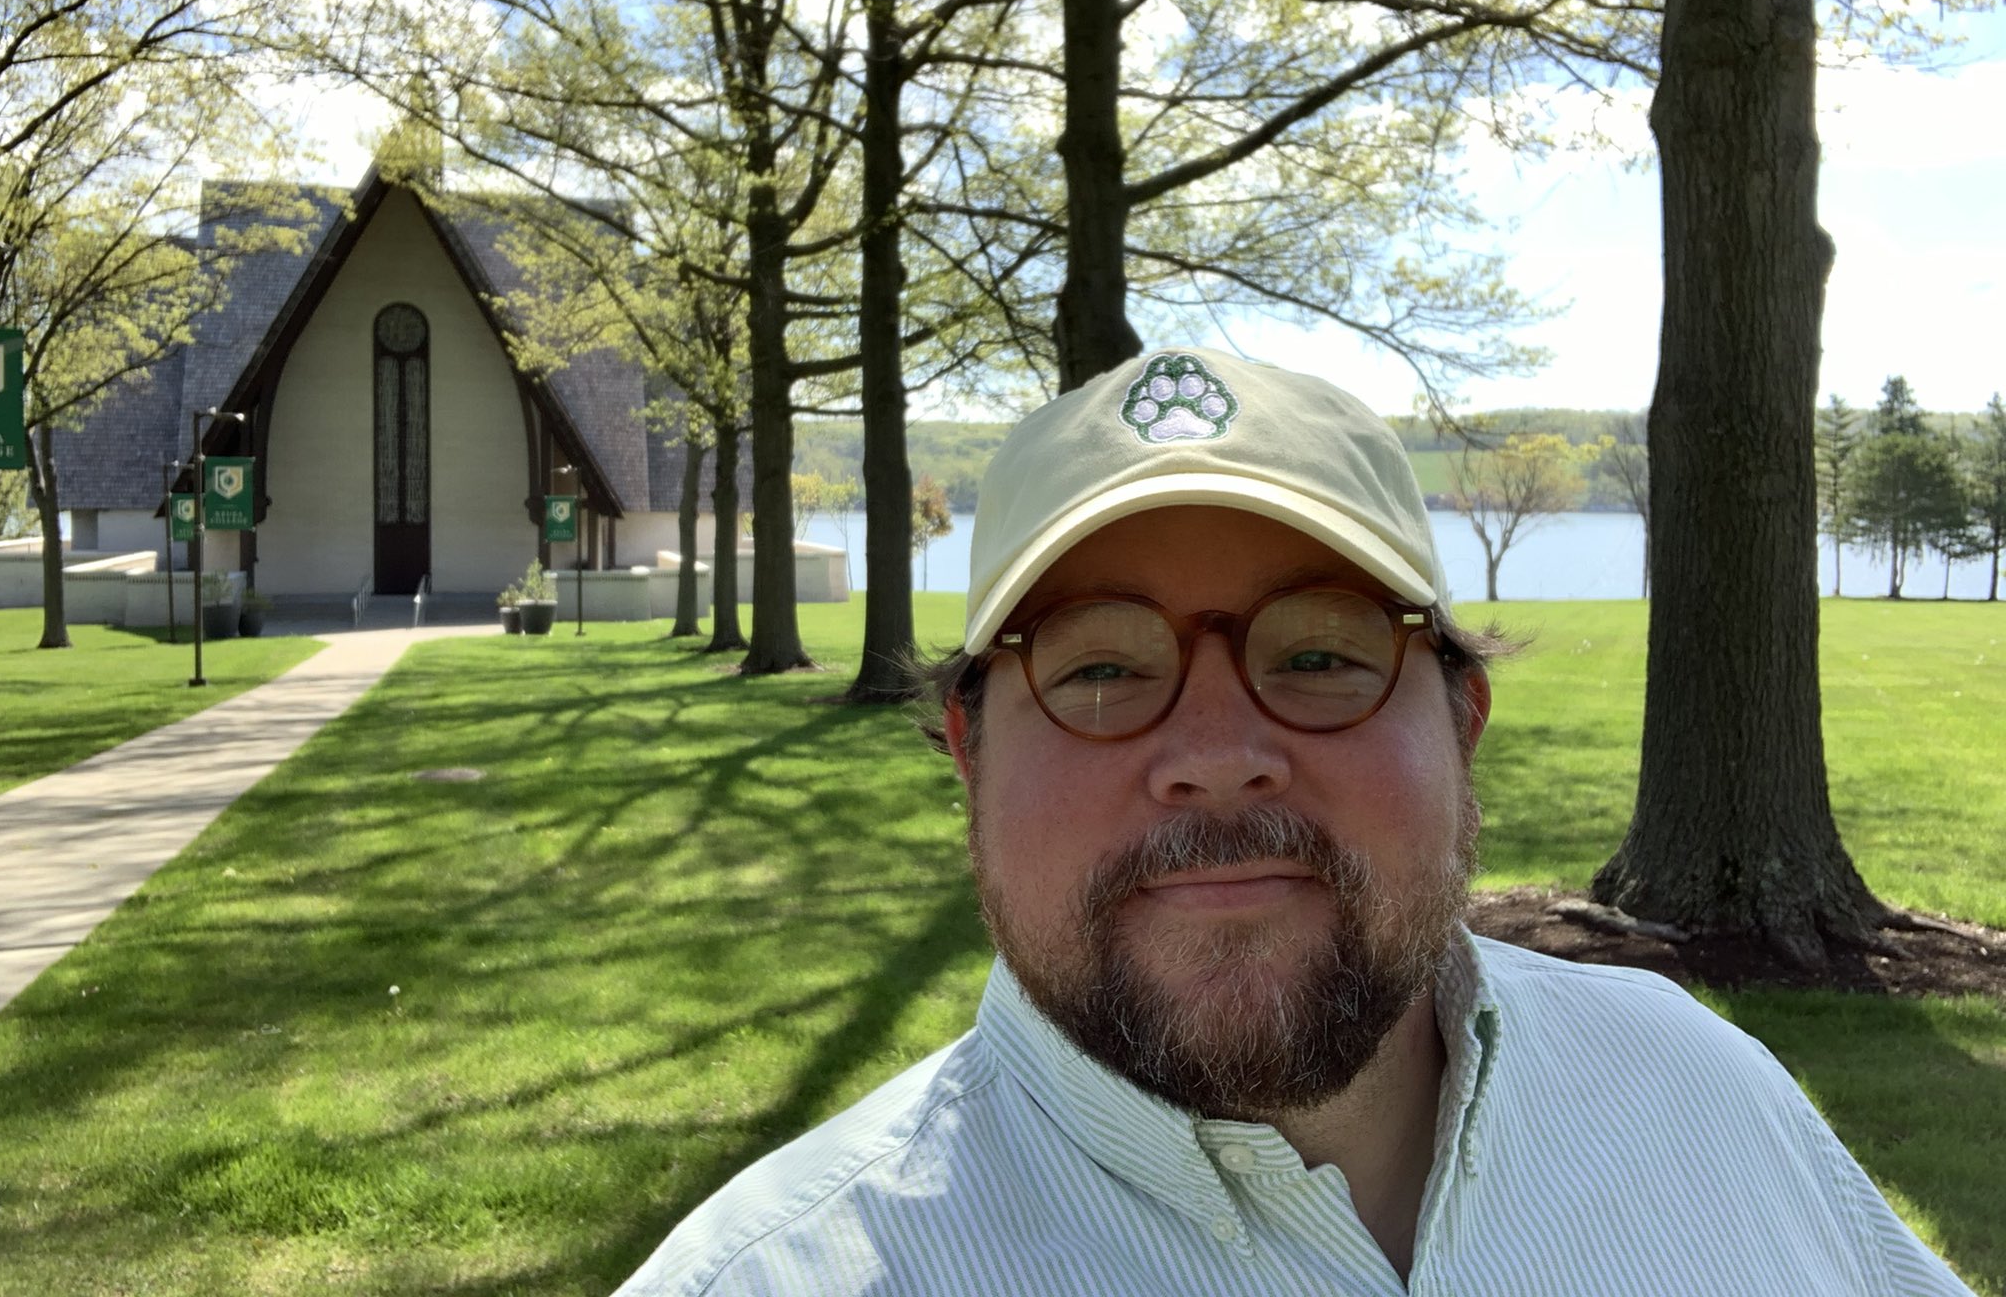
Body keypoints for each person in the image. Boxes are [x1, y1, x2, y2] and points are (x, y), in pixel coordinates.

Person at [618, 347, 1973, 1296]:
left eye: (1322, 656)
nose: (1215, 757)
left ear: (1461, 722)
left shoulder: (1700, 1099)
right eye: (1099, 669)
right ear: (968, 753)